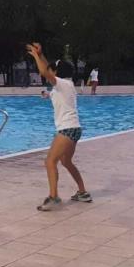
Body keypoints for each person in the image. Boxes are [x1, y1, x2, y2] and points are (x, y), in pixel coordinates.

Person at [26, 43, 92, 211]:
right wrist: (41, 54)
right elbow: (48, 70)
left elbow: (44, 71)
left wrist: (35, 56)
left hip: (67, 129)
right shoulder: (63, 86)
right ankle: (83, 192)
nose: (50, 71)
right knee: (66, 161)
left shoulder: (62, 84)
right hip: (75, 128)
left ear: (57, 73)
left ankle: (54, 197)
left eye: (52, 69)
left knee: (50, 161)